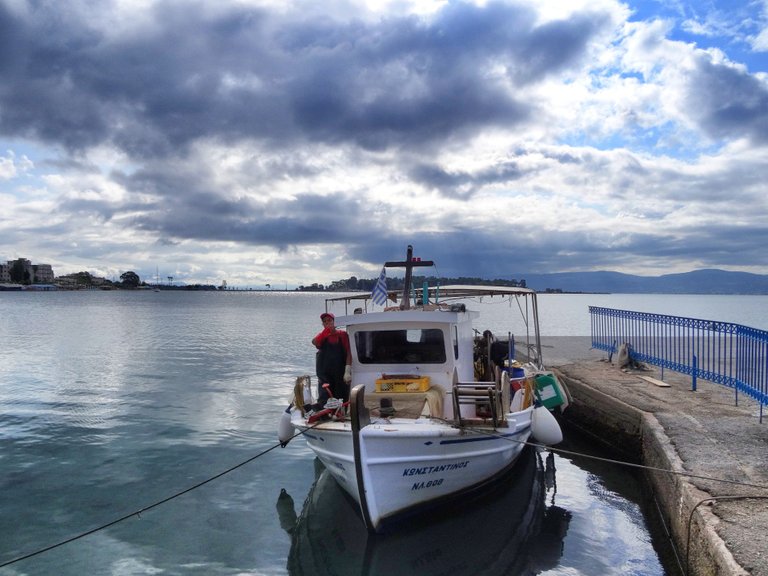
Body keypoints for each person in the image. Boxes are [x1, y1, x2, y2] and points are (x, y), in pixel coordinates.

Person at [312, 312, 352, 406]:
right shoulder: (322, 336)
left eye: (329, 320)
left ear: (334, 322)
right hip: (325, 376)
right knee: (324, 399)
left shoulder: (343, 335)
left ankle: (341, 414)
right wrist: (325, 332)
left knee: (341, 398)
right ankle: (325, 415)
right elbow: (314, 342)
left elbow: (349, 354)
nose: (327, 323)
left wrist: (347, 371)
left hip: (340, 374)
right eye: (325, 321)